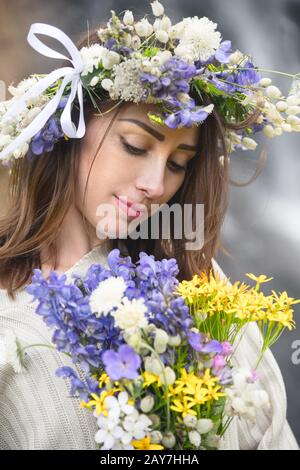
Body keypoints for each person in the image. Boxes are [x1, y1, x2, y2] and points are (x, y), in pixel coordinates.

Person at [0, 1, 299, 450]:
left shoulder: (195, 285)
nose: (156, 185)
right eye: (136, 146)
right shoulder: (10, 319)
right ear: (70, 129)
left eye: (179, 164)